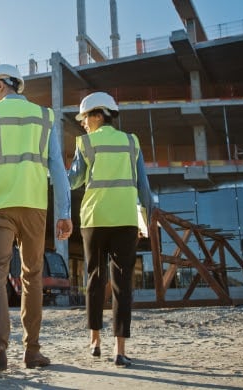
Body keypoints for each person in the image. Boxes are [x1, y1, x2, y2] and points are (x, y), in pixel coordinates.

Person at [0, 64, 73, 375]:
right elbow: (58, 170)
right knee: (32, 276)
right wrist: (64, 213)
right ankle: (32, 352)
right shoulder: (45, 116)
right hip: (34, 204)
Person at [67, 91, 155, 368]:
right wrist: (145, 219)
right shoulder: (132, 142)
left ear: (98, 115)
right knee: (122, 284)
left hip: (94, 220)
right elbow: (144, 187)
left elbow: (73, 181)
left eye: (84, 118)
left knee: (94, 278)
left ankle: (94, 341)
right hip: (126, 219)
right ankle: (120, 350)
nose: (83, 123)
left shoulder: (85, 144)